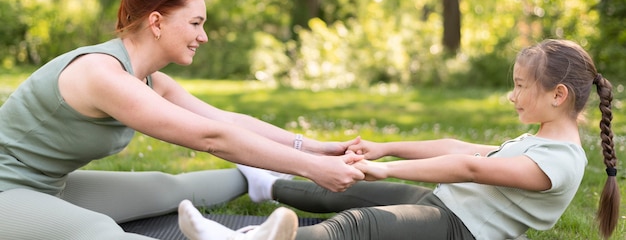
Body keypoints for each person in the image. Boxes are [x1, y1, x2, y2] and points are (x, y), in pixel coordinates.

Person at [0, 0, 364, 240]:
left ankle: (258, 179)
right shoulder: (101, 74)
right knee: (97, 231)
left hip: (50, 184)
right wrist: (311, 169)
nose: (202, 36)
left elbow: (227, 120)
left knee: (165, 187)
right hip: (6, 191)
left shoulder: (148, 78)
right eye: (195, 23)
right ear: (156, 22)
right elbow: (211, 138)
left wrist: (317, 150)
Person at [181, 39, 620, 240]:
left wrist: (385, 166)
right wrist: (383, 148)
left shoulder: (561, 162)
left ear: (557, 95)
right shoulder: (541, 142)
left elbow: (470, 168)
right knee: (350, 188)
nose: (513, 95)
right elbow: (456, 148)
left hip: (460, 229)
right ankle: (267, 184)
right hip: (447, 205)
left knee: (357, 227)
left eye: (522, 86)